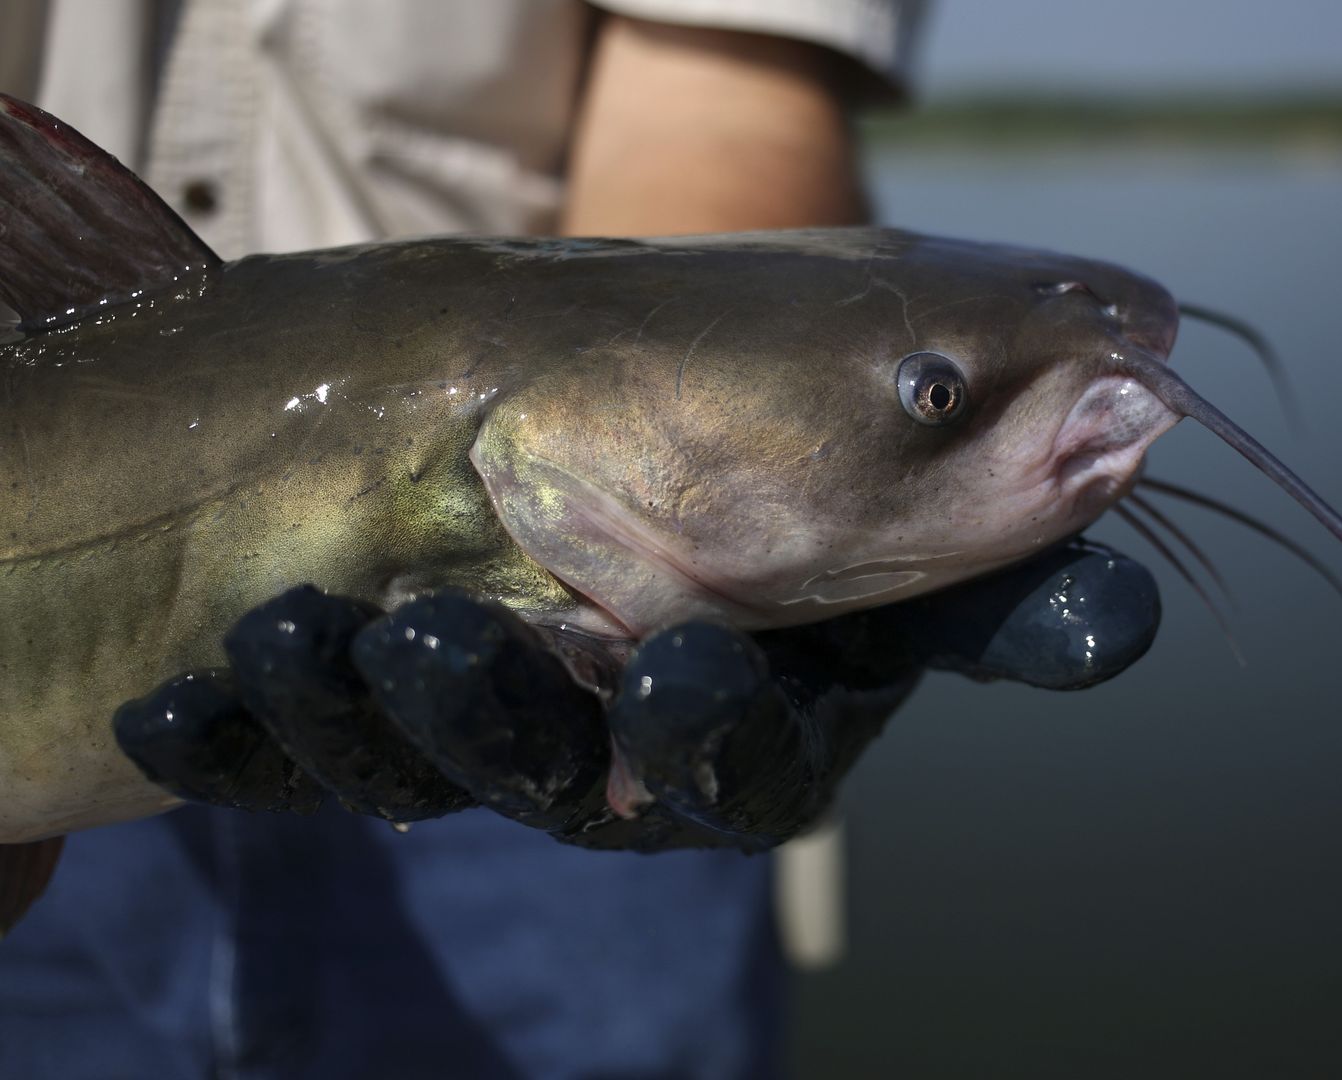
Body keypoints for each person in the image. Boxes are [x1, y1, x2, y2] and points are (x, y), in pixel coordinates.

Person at [0, 4, 1159, 1078]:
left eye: (932, 396)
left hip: (542, 803)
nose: (943, 404)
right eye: (937, 397)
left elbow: (721, 101)